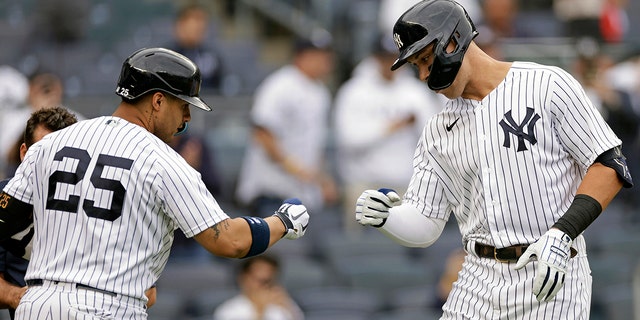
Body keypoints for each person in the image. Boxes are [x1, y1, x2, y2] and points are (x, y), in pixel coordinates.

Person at [355, 1, 632, 319]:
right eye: (416, 65)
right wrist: (386, 218)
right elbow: (426, 222)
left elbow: (609, 164)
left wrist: (562, 232)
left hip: (550, 274)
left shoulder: (546, 84)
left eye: (425, 59)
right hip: (476, 277)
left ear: (453, 40)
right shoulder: (437, 129)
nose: (422, 75)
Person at [0, 47, 310, 320]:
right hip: (108, 307)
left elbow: (6, 221)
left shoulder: (50, 145)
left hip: (38, 305)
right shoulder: (163, 160)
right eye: (183, 104)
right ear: (158, 101)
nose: (187, 117)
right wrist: (282, 221)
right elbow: (231, 241)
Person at [334, 34, 441, 233]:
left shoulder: (415, 93)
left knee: (405, 250)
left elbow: (433, 139)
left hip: (406, 187)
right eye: (384, 58)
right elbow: (349, 140)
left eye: (393, 58)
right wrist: (393, 126)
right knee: (359, 253)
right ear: (374, 58)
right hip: (363, 186)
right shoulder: (354, 91)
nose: (389, 64)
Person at [235, 37, 338, 218]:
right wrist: (296, 169)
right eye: (318, 56)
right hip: (271, 191)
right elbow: (262, 133)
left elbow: (315, 144)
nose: (325, 62)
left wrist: (322, 180)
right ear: (301, 56)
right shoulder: (280, 85)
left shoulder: (321, 92)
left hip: (302, 194)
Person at [0, 106, 78, 319]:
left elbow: (148, 291)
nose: (54, 165)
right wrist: (24, 298)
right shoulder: (3, 199)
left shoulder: (99, 203)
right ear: (24, 152)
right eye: (44, 152)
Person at [213, 254, 304, 320]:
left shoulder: (284, 304)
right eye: (259, 279)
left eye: (269, 279)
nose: (265, 275)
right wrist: (260, 310)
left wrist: (288, 307)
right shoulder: (228, 310)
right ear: (243, 278)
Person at [168, 3, 226, 92]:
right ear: (181, 24)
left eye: (202, 20)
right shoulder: (166, 56)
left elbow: (220, 88)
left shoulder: (212, 57)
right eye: (196, 19)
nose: (200, 25)